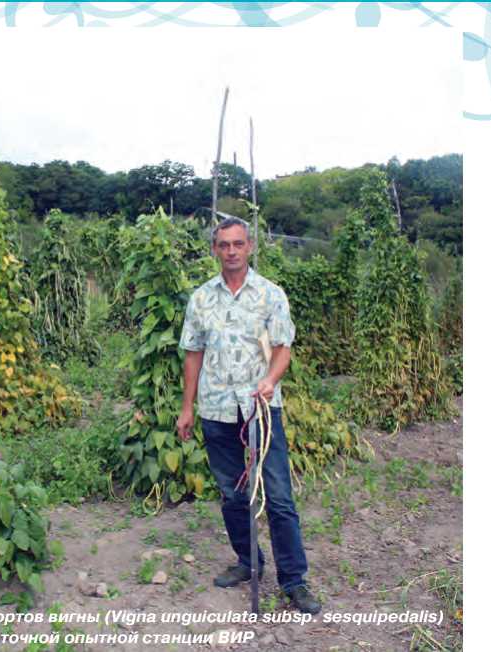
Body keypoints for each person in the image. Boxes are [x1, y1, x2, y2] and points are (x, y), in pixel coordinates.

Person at [176, 216, 321, 615]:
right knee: (232, 493)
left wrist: (270, 380)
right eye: (224, 245)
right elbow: (193, 354)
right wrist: (187, 407)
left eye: (238, 243)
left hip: (261, 408)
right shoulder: (201, 298)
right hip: (217, 408)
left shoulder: (270, 294)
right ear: (214, 249)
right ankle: (248, 560)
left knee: (278, 496)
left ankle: (294, 580)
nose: (231, 251)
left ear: (250, 246)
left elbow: (283, 348)